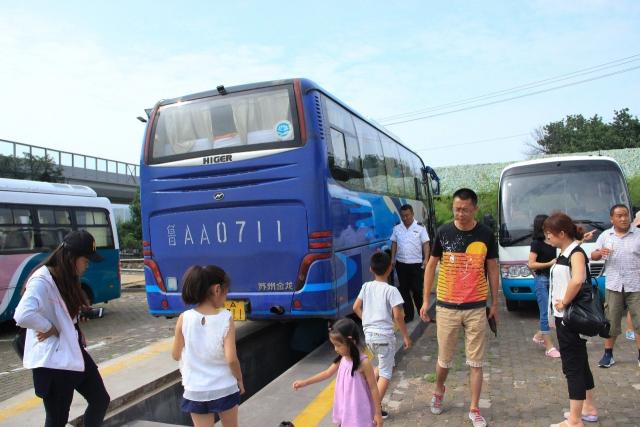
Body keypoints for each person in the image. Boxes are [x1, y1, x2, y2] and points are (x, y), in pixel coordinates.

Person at [14, 230, 110, 427]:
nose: (87, 265)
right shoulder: (41, 280)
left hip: (71, 352)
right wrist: (50, 327)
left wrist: (75, 321)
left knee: (100, 399)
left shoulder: (67, 277)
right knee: (57, 420)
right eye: (85, 260)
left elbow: (62, 312)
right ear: (71, 258)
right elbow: (23, 314)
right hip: (52, 364)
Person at [419, 188, 499, 427]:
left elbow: (493, 268)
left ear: (474, 208)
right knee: (444, 360)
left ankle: (474, 408)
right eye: (456, 208)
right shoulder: (443, 232)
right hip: (446, 307)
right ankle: (438, 389)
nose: (460, 213)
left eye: (465, 209)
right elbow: (431, 266)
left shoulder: (485, 234)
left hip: (476, 307)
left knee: (476, 362)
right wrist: (425, 300)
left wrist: (494, 302)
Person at [171, 265, 244, 427]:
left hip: (195, 390)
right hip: (224, 387)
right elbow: (231, 359)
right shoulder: (226, 318)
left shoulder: (184, 318)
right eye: (226, 292)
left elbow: (175, 355)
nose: (226, 297)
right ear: (217, 289)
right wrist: (239, 379)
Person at [544, 213, 598, 427]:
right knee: (581, 363)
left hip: (570, 317)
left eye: (549, 235)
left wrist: (564, 301)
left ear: (562, 233)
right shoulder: (566, 252)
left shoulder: (575, 253)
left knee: (572, 367)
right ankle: (588, 408)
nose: (548, 239)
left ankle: (575, 421)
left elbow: (577, 280)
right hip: (564, 316)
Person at [292, 318, 383, 427]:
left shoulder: (364, 363)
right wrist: (304, 382)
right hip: (346, 407)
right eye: (334, 345)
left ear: (352, 342)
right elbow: (327, 373)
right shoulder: (342, 358)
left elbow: (373, 388)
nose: (335, 349)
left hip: (359, 410)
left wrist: (378, 414)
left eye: (338, 345)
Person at [353, 252, 412, 419]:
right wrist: (406, 336)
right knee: (386, 372)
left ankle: (369, 399)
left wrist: (367, 320)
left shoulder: (366, 286)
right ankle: (373, 409)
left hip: (369, 336)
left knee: (380, 365)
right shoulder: (391, 290)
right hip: (385, 337)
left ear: (371, 269)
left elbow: (356, 307)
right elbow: (398, 316)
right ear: (390, 268)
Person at [590, 204, 640, 369]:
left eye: (626, 215)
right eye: (619, 215)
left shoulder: (638, 235)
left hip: (636, 285)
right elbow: (593, 255)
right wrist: (600, 253)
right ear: (612, 219)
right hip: (614, 285)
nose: (624, 218)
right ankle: (608, 355)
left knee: (639, 323)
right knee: (611, 322)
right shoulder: (606, 236)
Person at [528, 214, 561, 358]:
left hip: (555, 280)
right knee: (545, 313)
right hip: (542, 280)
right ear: (542, 226)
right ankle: (549, 346)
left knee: (555, 311)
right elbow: (531, 264)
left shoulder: (554, 241)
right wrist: (550, 263)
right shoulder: (536, 243)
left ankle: (539, 335)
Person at [390, 204, 430, 322]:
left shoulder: (420, 227)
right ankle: (409, 315)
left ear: (412, 214)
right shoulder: (397, 228)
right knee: (404, 291)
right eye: (403, 216)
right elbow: (394, 243)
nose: (405, 218)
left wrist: (426, 259)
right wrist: (392, 258)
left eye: (407, 215)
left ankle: (422, 312)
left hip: (416, 264)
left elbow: (426, 244)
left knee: (417, 290)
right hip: (401, 264)